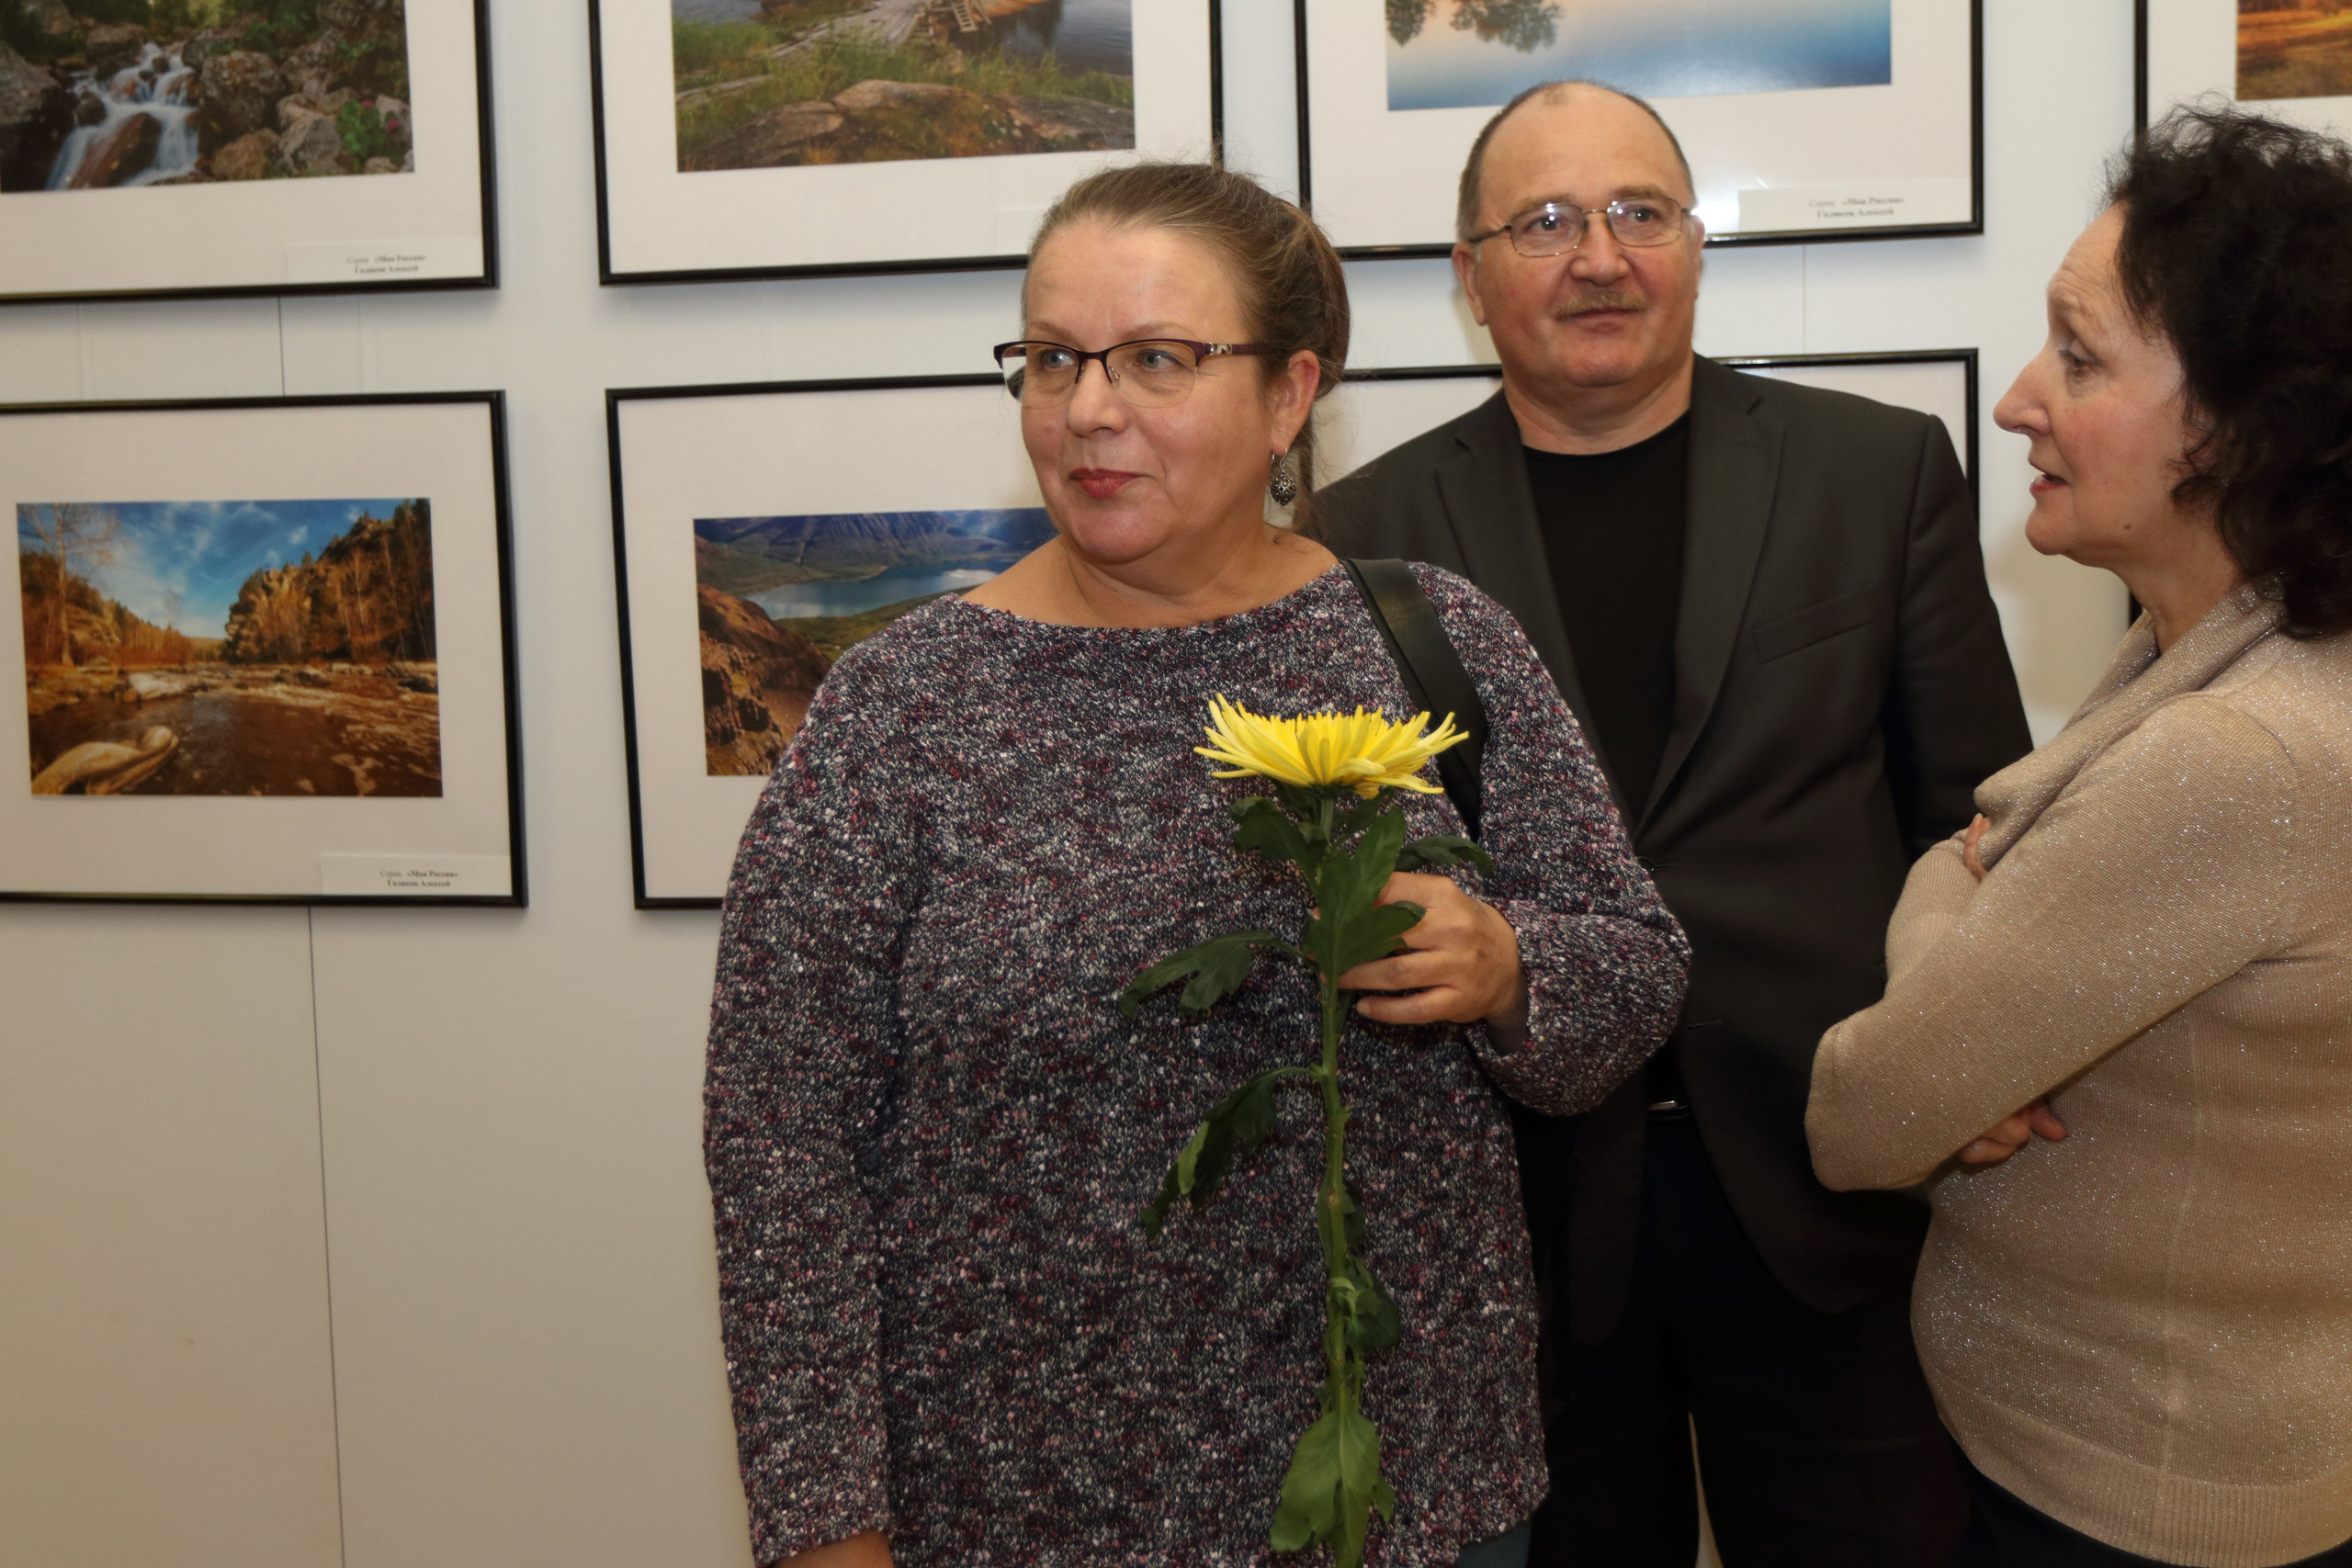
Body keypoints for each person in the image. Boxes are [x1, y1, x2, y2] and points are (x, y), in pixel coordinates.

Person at [702, 162, 1691, 1568]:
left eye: (1156, 360)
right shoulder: (904, 707)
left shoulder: (1428, 639)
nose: (1089, 409)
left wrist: (1507, 963)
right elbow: (781, 1147)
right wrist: (824, 1528)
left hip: (1406, 1500)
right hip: (1008, 1514)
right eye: (1053, 360)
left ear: (1289, 396)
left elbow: (1637, 969)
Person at [1315, 80, 2033, 1565]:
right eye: (1547, 221)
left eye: (1640, 212)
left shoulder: (1874, 471)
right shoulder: (1356, 538)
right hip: (1514, 1213)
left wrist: (1981, 1066)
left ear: (1697, 245)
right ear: (1468, 275)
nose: (1600, 256)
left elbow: (1974, 825)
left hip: (1829, 1189)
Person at [1807, 106, 2352, 1568]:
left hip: (2136, 1498)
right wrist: (1965, 903)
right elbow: (1978, 846)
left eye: (2083, 356)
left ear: (2240, 425)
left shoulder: (2240, 750)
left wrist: (1938, 945)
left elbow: (1862, 1118)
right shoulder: (2224, 642)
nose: (2019, 400)